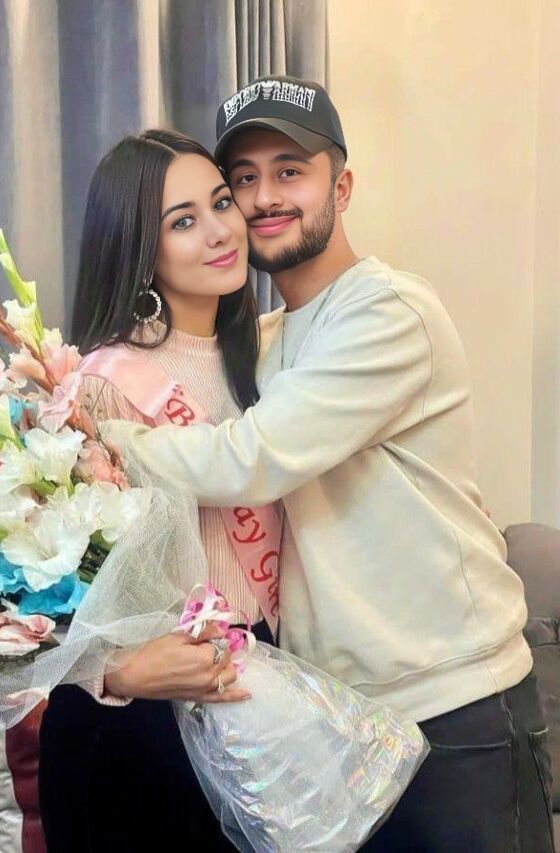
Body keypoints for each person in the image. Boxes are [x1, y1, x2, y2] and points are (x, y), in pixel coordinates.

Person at [102, 76, 554, 852]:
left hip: (456, 708)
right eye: (242, 180)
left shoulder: (386, 310)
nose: (263, 198)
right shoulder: (261, 345)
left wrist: (103, 437)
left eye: (290, 171)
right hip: (342, 725)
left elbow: (249, 459)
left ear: (341, 187)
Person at [38, 128, 278, 852]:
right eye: (183, 221)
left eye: (221, 203)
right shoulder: (100, 386)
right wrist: (119, 671)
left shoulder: (272, 362)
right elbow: (41, 596)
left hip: (255, 688)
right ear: (139, 248)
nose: (220, 231)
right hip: (139, 731)